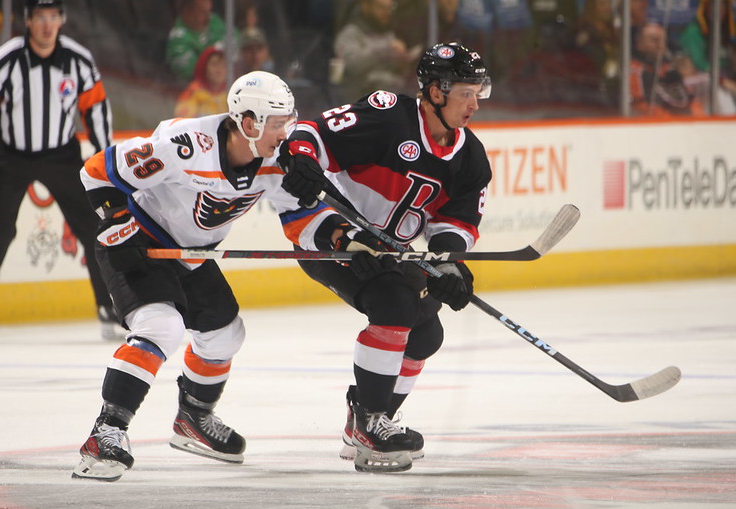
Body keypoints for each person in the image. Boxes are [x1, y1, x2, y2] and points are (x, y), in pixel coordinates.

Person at [71, 71, 342, 481]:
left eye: (289, 120)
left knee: (225, 333)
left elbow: (303, 218)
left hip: (188, 253)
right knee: (161, 326)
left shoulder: (275, 161)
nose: (286, 132)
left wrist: (345, 239)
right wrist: (118, 224)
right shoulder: (185, 147)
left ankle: (193, 418)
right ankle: (105, 433)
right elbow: (96, 171)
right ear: (248, 123)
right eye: (277, 123)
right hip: (139, 242)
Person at [278, 42, 491, 473]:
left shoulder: (470, 157)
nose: (474, 104)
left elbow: (456, 224)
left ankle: (371, 414)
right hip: (331, 235)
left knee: (426, 333)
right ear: (434, 92)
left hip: (389, 252)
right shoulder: (388, 113)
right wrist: (300, 159)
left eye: (477, 92)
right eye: (465, 93)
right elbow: (310, 134)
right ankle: (370, 427)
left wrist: (449, 264)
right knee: (396, 305)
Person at [0, 0, 118, 339]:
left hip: (61, 155)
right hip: (11, 154)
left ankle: (108, 305)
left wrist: (104, 161)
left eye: (53, 17)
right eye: (40, 18)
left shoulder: (78, 60)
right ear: (27, 21)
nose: (47, 26)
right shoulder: (4, 60)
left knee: (95, 226)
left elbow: (97, 110)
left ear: (61, 19)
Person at [333, 0, 422, 101]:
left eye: (390, 8)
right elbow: (352, 65)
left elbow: (395, 68)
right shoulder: (350, 33)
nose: (387, 13)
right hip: (362, 98)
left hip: (394, 95)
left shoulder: (388, 34)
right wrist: (386, 49)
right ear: (365, 6)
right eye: (381, 8)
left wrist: (402, 61)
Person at [630, 21, 704, 116]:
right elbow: (639, 105)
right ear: (639, 44)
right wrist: (671, 121)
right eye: (654, 40)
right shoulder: (635, 70)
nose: (660, 46)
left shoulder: (671, 69)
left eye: (663, 41)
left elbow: (691, 100)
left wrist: (698, 120)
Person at [166, 0, 228, 83]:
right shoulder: (178, 41)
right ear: (188, 11)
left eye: (209, 12)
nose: (208, 18)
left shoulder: (213, 20)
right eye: (202, 13)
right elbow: (198, 74)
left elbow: (237, 39)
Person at [173, 45, 228, 117]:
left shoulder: (230, 93)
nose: (219, 70)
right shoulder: (192, 92)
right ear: (204, 67)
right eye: (214, 64)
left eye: (224, 65)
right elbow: (183, 122)